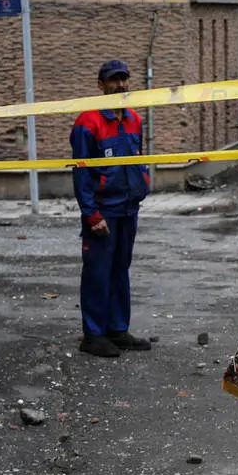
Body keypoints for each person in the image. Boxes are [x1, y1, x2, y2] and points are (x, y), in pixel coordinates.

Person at [70, 59, 153, 359]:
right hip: (103, 210)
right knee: (98, 272)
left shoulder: (133, 119)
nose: (120, 85)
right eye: (113, 80)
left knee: (120, 270)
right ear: (100, 84)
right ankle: (93, 335)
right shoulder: (87, 123)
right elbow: (81, 173)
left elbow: (136, 158)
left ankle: (118, 329)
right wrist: (91, 214)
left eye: (124, 79)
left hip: (128, 208)